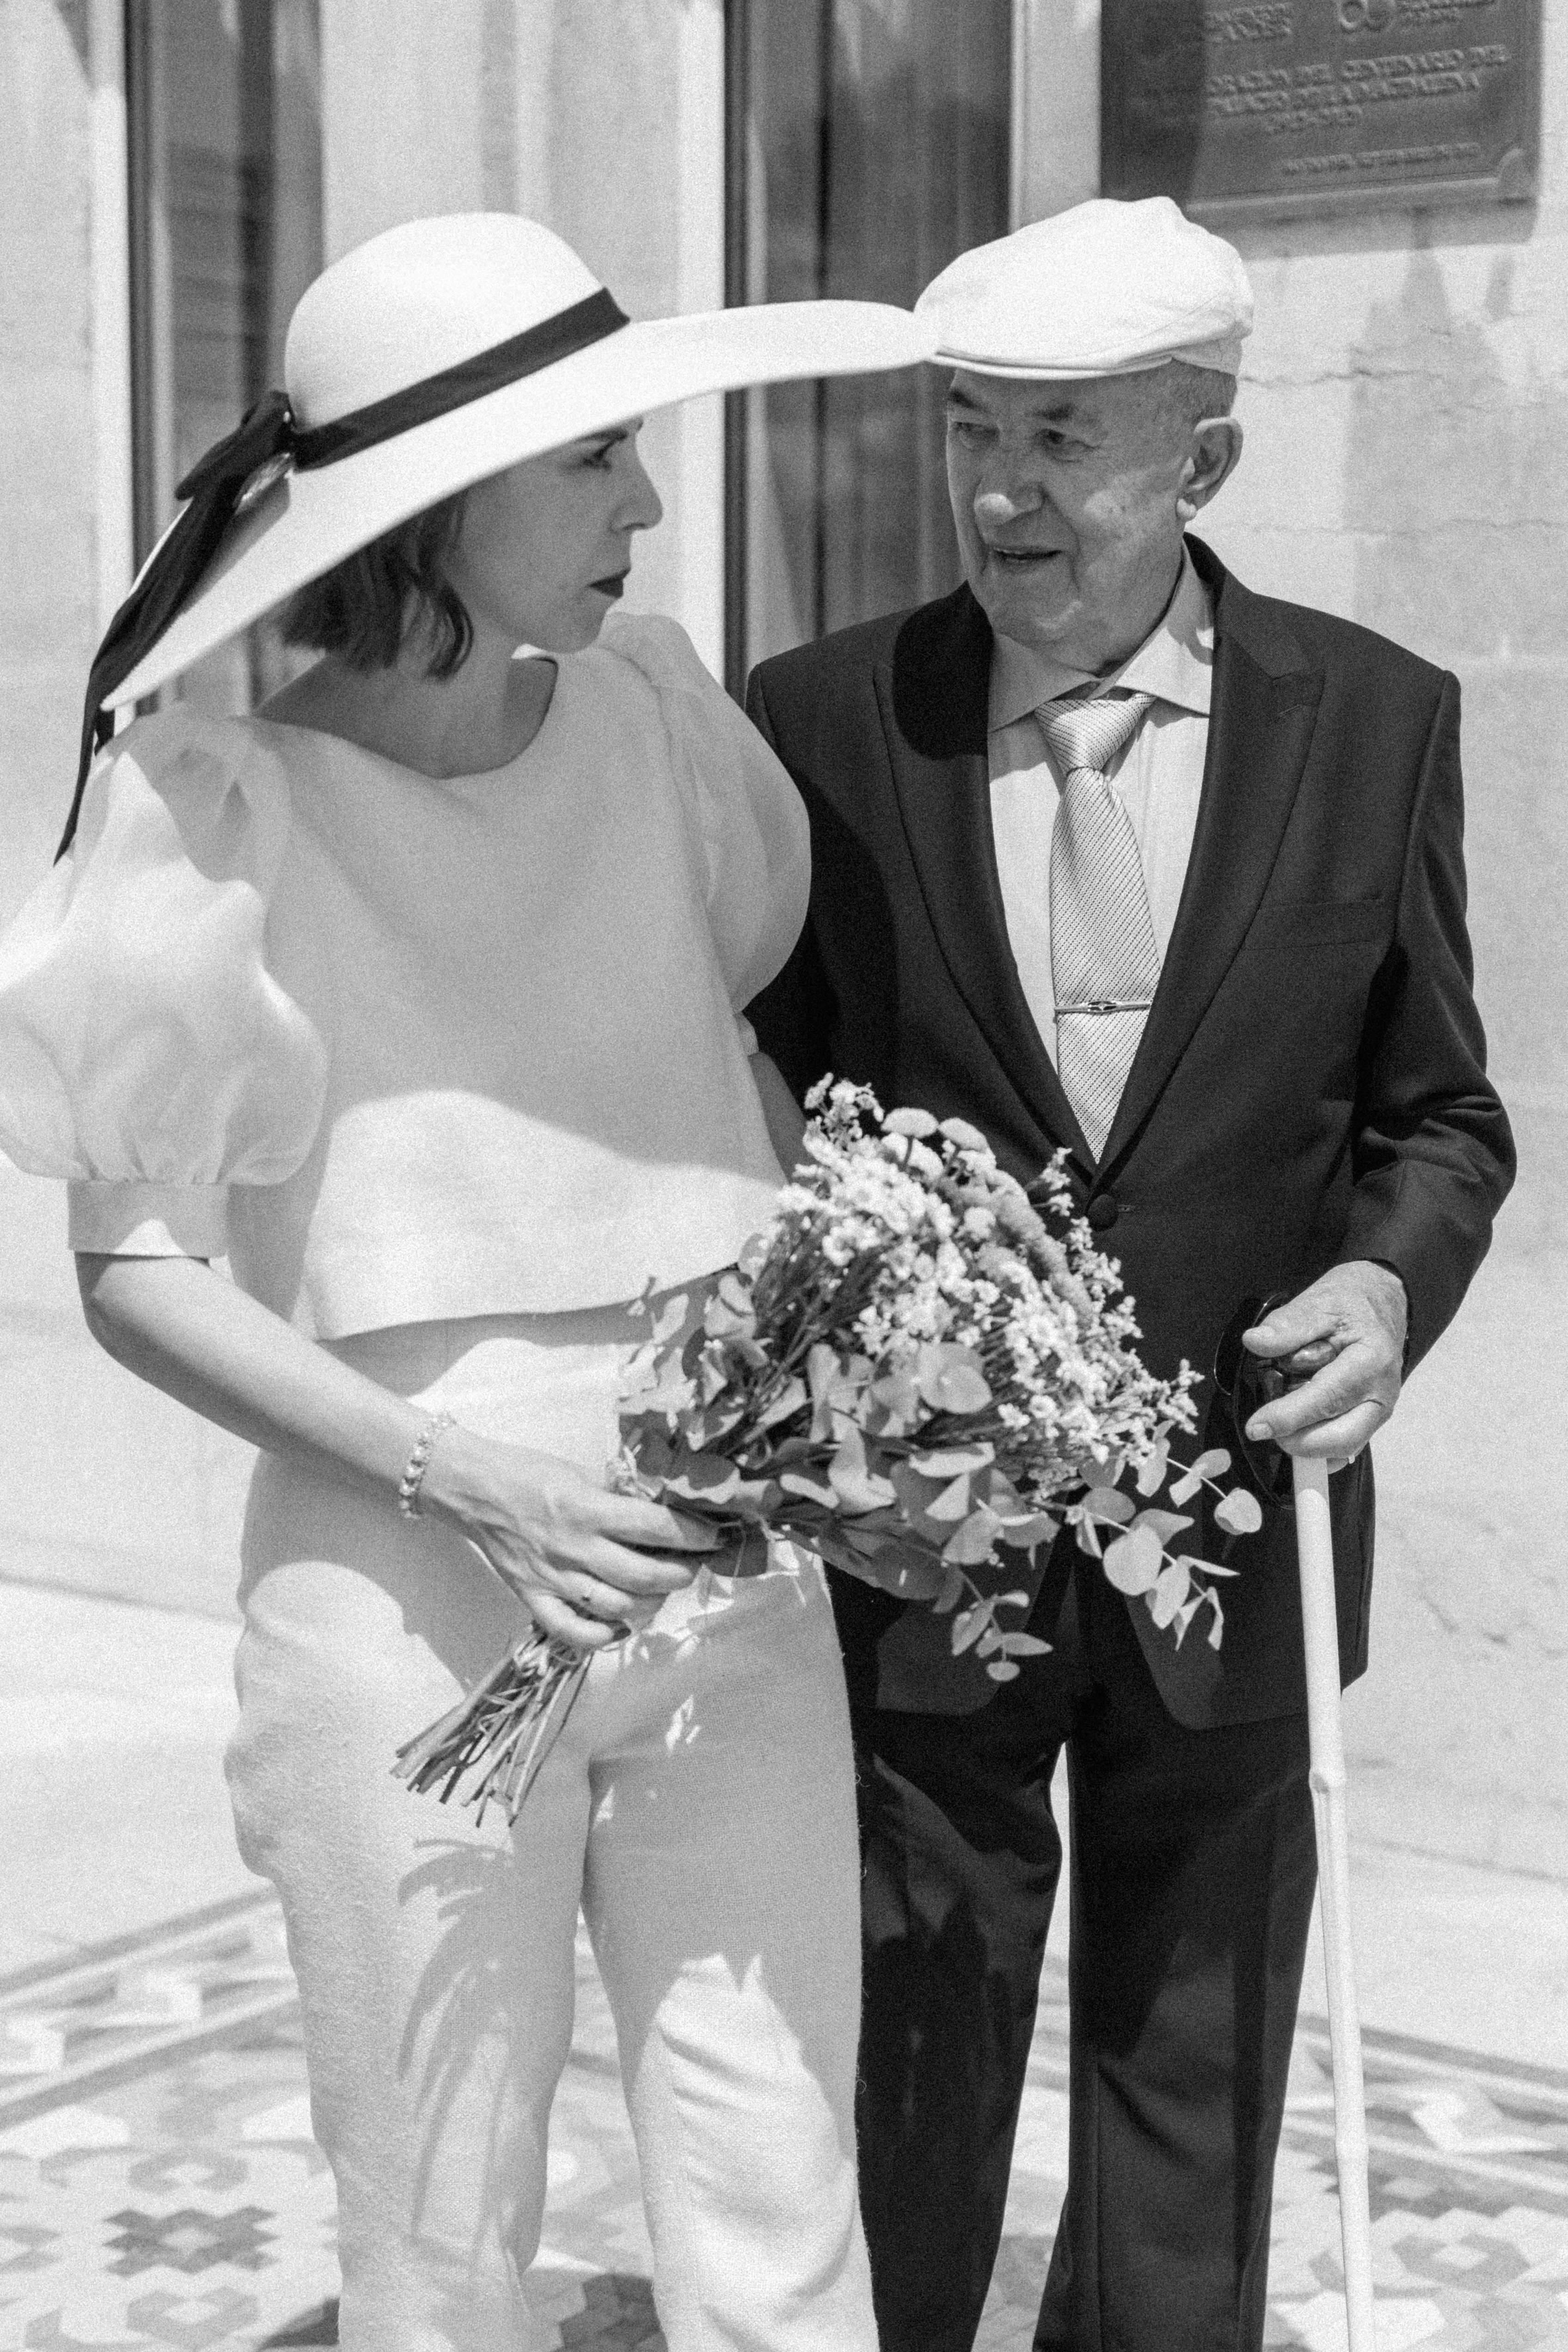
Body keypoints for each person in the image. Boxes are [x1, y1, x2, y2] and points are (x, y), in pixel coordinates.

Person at [0, 213, 933, 2351]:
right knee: (442, 2247)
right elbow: (134, 1270)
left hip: (729, 1582)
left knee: (787, 2211)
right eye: (597, 454)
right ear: (441, 500)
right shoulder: (214, 812)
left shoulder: (663, 730)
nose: (650, 501)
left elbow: (719, 1092)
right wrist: (476, 1481)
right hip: (401, 1620)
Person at [746, 196, 1515, 2352]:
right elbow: (760, 1114)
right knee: (908, 2047)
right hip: (926, 1553)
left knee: (1193, 2063)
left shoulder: (1377, 720)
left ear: (1208, 461)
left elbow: (1437, 1118)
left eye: (1067, 437)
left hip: (1239, 1533)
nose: (1002, 493)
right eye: (974, 430)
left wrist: (1383, 1293)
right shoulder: (823, 719)